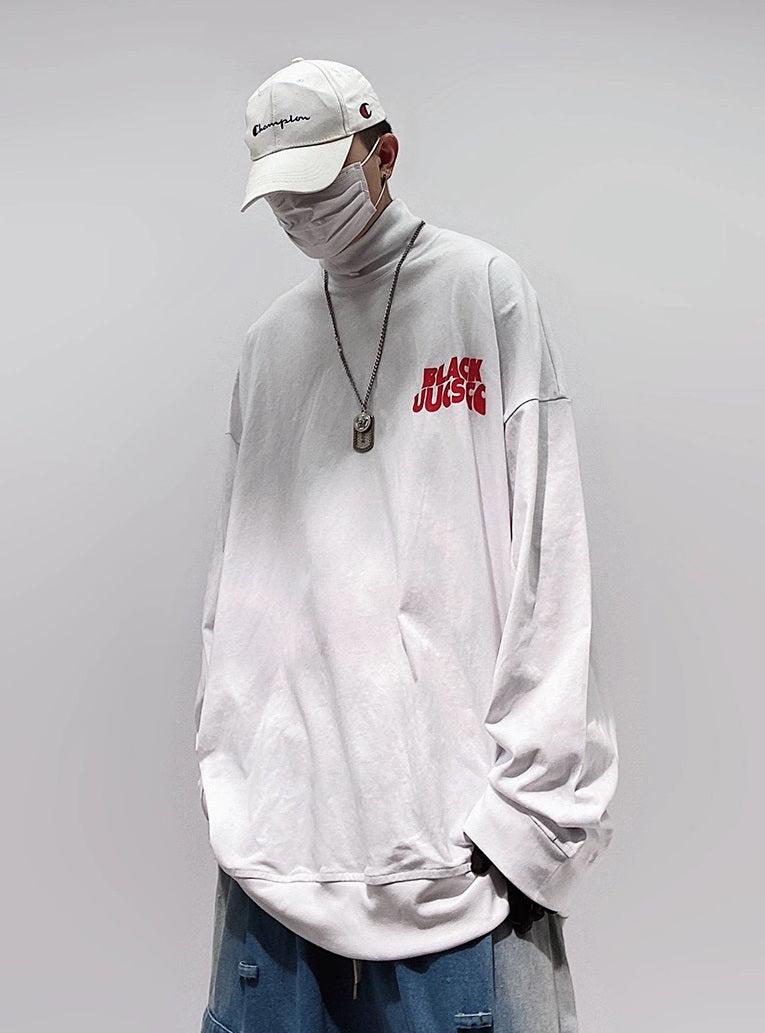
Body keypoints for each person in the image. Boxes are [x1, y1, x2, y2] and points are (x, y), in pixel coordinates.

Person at [193, 56, 619, 1033]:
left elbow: (550, 554)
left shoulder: (483, 291)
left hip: (456, 841)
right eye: (280, 198)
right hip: (279, 842)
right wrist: (226, 762)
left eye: (317, 184)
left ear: (383, 153)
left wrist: (529, 810)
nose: (300, 215)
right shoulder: (270, 344)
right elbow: (239, 578)